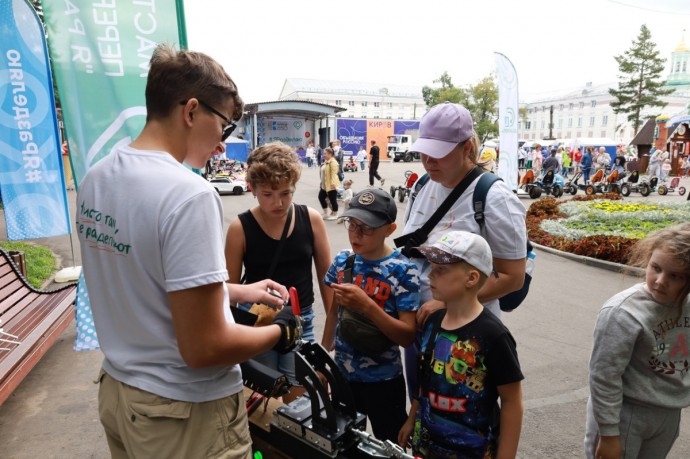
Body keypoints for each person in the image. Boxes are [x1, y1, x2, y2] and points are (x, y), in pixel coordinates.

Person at [76, 44, 300, 459]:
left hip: (122, 396)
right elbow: (205, 348)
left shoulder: (97, 177)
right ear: (192, 111)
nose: (221, 144)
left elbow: (145, 277)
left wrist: (241, 291)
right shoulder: (187, 193)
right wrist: (280, 331)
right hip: (184, 413)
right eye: (225, 126)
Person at [400, 101, 527, 402]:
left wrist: (445, 304)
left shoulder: (493, 198)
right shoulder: (422, 185)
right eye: (424, 151)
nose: (429, 161)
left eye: (440, 152)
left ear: (466, 147)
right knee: (421, 410)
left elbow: (512, 277)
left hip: (465, 339)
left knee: (460, 420)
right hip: (419, 329)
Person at [398, 231, 524, 458]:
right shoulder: (432, 322)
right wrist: (412, 418)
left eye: (440, 270)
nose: (429, 277)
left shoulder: (493, 335)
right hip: (427, 445)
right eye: (430, 268)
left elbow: (512, 401)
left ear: (472, 278)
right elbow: (424, 380)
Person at [225, 141, 333, 403]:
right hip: (258, 323)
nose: (278, 202)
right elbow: (228, 292)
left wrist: (329, 341)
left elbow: (327, 281)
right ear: (253, 190)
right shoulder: (240, 228)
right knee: (264, 406)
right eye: (268, 194)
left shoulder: (312, 219)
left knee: (302, 407)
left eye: (286, 193)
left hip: (301, 321)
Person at [322, 188, 420, 443]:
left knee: (388, 444)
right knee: (344, 444)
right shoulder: (343, 261)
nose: (356, 234)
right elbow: (334, 312)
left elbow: (407, 336)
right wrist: (323, 362)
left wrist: (368, 306)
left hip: (384, 382)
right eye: (352, 224)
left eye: (367, 228)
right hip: (344, 378)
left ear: (390, 229)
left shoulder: (403, 271)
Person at [584, 223, 690, 459]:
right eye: (656, 268)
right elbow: (604, 376)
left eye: (675, 276)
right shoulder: (623, 312)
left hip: (668, 414)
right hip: (624, 414)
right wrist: (609, 435)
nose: (660, 281)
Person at [318, 147, 340, 220]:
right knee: (321, 197)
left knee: (333, 200)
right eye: (323, 153)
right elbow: (324, 173)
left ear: (330, 154)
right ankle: (326, 213)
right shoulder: (326, 161)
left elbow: (334, 174)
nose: (323, 155)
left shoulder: (333, 162)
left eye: (325, 153)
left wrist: (333, 184)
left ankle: (335, 214)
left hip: (331, 185)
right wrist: (321, 181)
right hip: (325, 185)